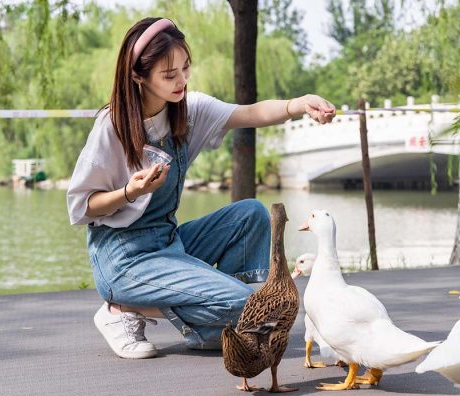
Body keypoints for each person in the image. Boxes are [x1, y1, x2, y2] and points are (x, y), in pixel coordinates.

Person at [67, 17, 336, 359]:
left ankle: (206, 301)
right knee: (248, 308)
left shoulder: (189, 111)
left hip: (168, 242)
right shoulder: (113, 126)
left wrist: (298, 105)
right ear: (138, 75)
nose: (181, 80)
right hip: (123, 260)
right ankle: (124, 307)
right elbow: (82, 207)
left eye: (185, 69)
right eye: (169, 75)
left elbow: (250, 113)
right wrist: (129, 193)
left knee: (251, 214)